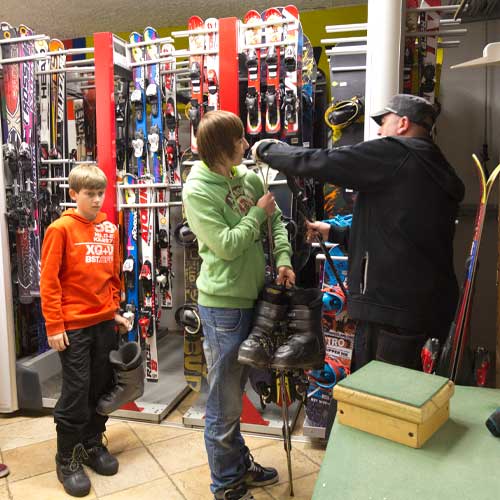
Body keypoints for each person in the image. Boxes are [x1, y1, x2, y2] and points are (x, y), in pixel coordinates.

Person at [252, 94, 465, 372]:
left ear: (402, 123)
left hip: (391, 311)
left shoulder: (397, 153)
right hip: (425, 307)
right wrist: (336, 233)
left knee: (380, 400)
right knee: (411, 400)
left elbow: (325, 161)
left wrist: (270, 151)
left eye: (383, 122)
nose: (379, 130)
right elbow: (401, 234)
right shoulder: (434, 166)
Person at [182, 110, 295, 500]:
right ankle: (226, 484)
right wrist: (255, 214)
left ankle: (236, 464)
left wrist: (282, 258)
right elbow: (227, 245)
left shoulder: (245, 176)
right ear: (219, 148)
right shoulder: (197, 189)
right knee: (225, 401)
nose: (246, 146)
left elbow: (275, 221)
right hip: (223, 307)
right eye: (239, 141)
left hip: (255, 298)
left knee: (238, 389)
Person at [40, 164, 130, 497]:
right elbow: (49, 282)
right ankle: (67, 457)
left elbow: (113, 276)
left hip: (104, 323)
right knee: (77, 391)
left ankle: (92, 443)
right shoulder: (60, 229)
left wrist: (115, 311)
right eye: (88, 194)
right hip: (73, 327)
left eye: (99, 193)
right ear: (73, 194)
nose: (95, 200)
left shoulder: (109, 228)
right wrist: (54, 324)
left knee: (102, 386)